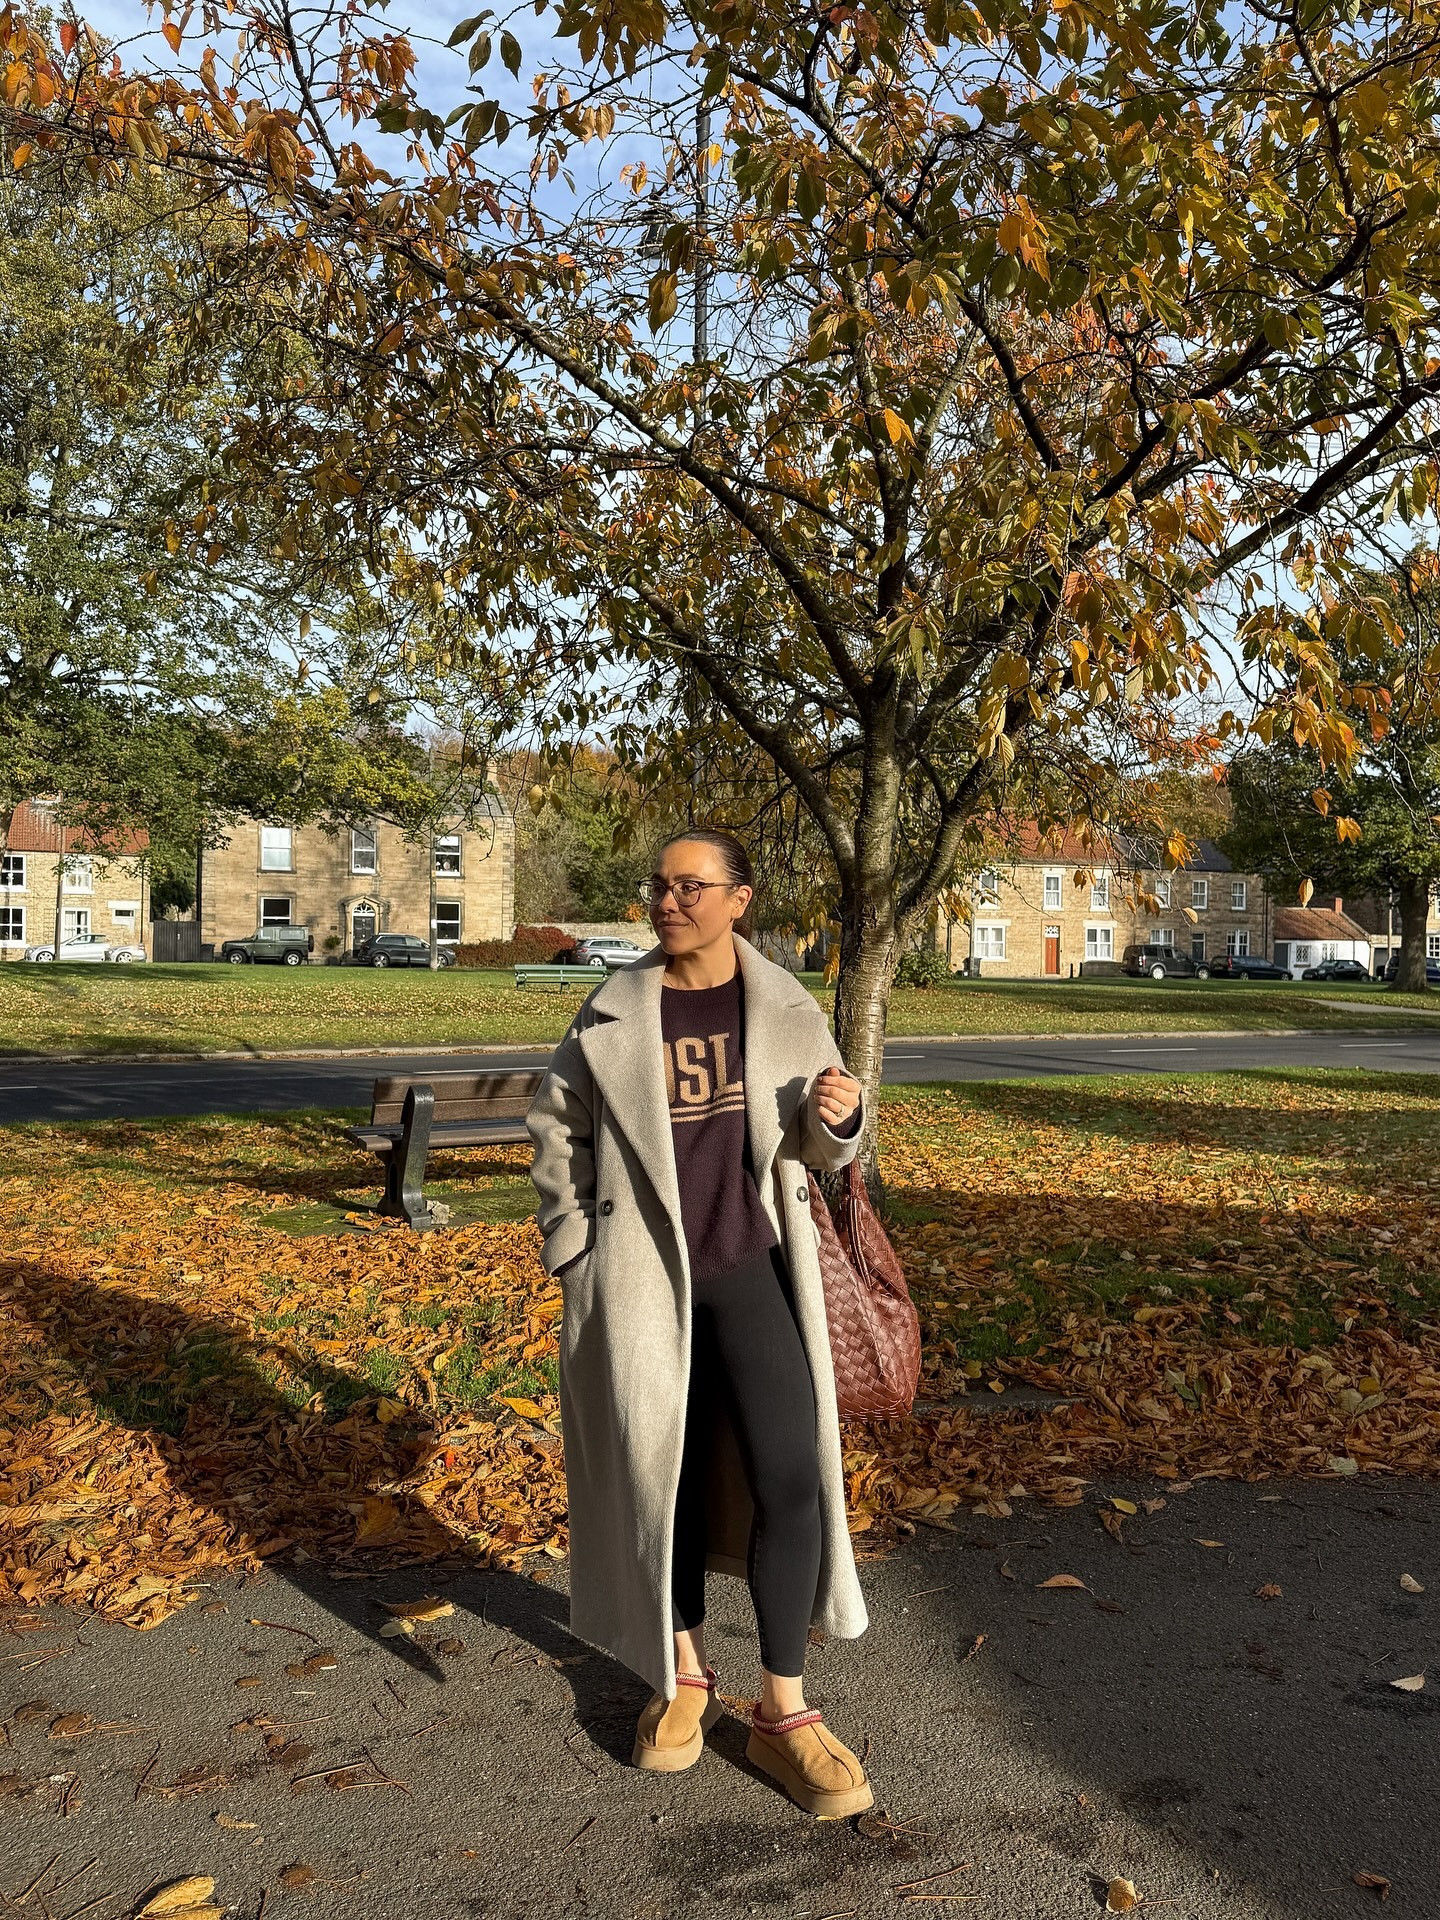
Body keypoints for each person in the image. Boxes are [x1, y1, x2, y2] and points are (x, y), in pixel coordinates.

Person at [526, 829, 874, 1817]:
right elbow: (556, 1132)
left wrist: (840, 1118)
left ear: (739, 899)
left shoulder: (785, 1006)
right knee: (658, 1477)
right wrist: (575, 1253)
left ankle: (784, 1711)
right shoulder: (611, 1010)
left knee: (792, 1477)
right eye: (660, 885)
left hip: (756, 1271)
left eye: (692, 886)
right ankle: (681, 1678)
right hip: (639, 1281)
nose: (669, 901)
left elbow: (821, 1141)